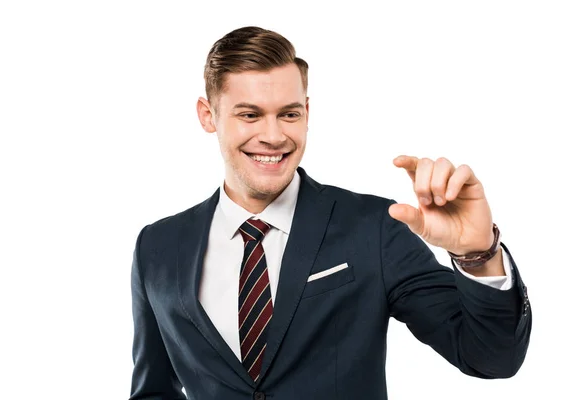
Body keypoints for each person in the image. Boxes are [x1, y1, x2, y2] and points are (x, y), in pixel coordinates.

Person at [128, 26, 531, 400]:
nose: (273, 136)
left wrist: (478, 254)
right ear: (208, 115)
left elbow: (491, 358)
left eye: (289, 114)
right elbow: (154, 390)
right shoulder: (158, 247)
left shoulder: (374, 228)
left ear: (307, 111)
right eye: (249, 115)